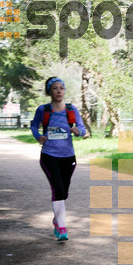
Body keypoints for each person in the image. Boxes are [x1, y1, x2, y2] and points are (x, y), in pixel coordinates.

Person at [30, 77, 88, 242]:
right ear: (50, 91)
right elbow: (34, 125)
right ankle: (62, 228)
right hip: (49, 156)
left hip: (68, 156)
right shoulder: (43, 110)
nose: (59, 91)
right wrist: (38, 136)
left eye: (61, 88)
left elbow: (82, 128)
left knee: (64, 191)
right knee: (58, 191)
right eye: (55, 88)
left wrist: (78, 132)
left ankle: (57, 219)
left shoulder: (71, 109)